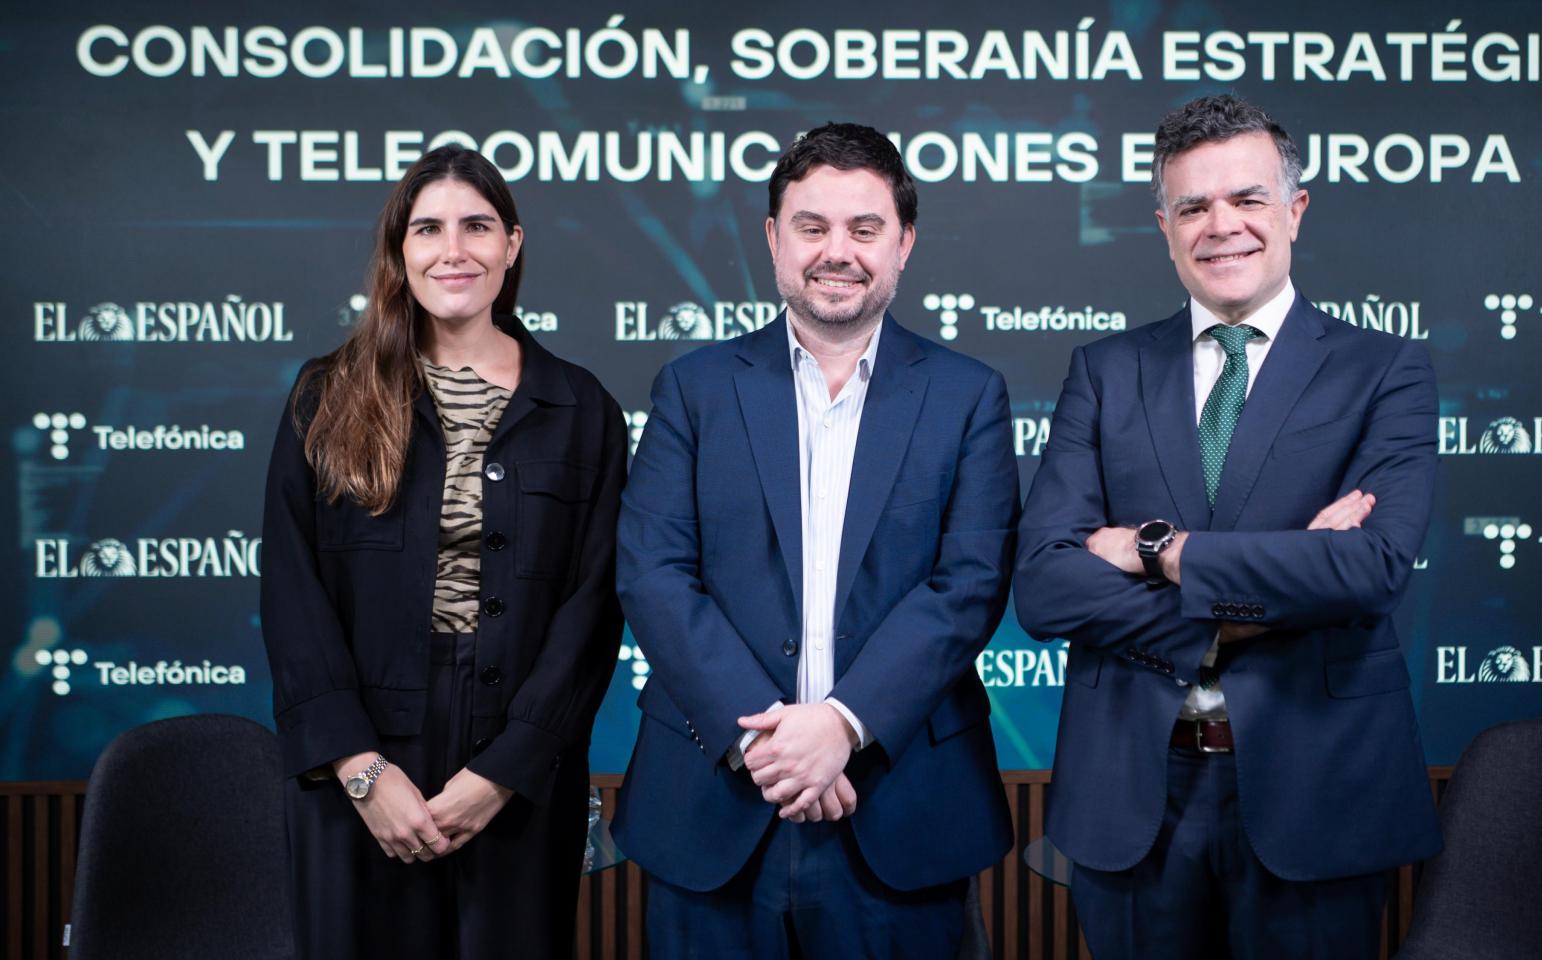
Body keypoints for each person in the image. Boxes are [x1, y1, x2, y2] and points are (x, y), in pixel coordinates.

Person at [1014, 94, 1442, 959]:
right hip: (1133, 792)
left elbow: (1370, 569)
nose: (1223, 226)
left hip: (1318, 790)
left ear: (1295, 210)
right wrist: (1273, 587)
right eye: (1193, 206)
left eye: (1247, 199)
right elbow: (1046, 585)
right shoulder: (1104, 371)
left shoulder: (1385, 370)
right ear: (1164, 226)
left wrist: (1153, 551)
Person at [612, 122, 1018, 958]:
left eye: (865, 229)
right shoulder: (693, 389)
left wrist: (841, 724)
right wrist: (773, 744)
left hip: (900, 807)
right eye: (812, 226)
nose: (839, 251)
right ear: (772, 238)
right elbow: (654, 575)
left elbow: (968, 585)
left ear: (904, 242)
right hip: (714, 802)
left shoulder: (968, 395)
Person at [260, 144, 625, 959]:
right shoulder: (327, 394)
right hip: (359, 762)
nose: (452, 249)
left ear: (513, 245)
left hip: (517, 767)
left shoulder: (582, 409)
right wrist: (360, 769)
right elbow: (292, 590)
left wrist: (505, 770)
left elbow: (594, 605)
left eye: (477, 227)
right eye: (427, 229)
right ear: (399, 251)